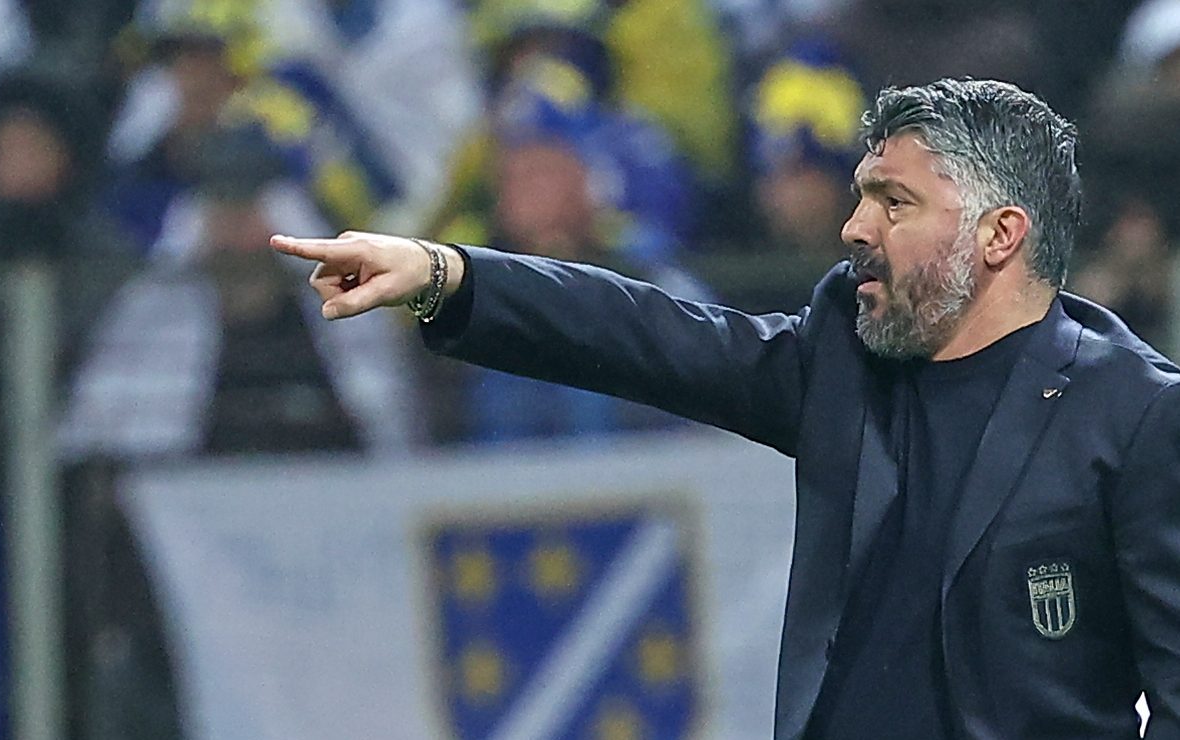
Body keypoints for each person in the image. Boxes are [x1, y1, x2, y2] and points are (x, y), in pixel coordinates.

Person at [269, 78, 1180, 738]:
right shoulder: (843, 360)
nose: (854, 228)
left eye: (894, 203)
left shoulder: (1137, 417)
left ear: (1000, 234)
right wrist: (448, 274)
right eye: (861, 198)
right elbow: (651, 334)